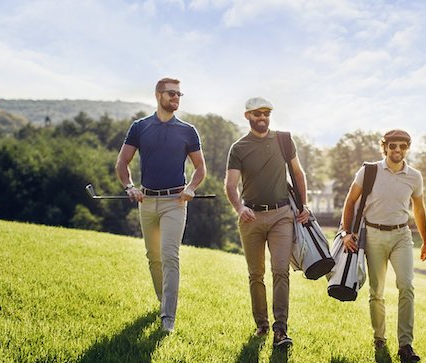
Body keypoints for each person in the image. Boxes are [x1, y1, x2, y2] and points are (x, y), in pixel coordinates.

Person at [115, 77, 206, 333]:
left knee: (169, 256)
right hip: (146, 201)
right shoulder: (140, 127)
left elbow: (201, 168)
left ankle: (168, 317)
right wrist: (129, 187)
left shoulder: (188, 131)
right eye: (171, 94)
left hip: (175, 202)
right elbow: (122, 163)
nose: (176, 98)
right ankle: (162, 302)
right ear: (158, 95)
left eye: (179, 94)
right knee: (153, 257)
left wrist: (190, 189)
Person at [225, 97, 311, 348]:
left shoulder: (283, 140)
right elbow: (230, 185)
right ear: (247, 116)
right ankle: (261, 324)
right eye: (257, 114)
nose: (262, 118)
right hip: (251, 217)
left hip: (282, 215)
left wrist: (303, 206)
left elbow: (298, 173)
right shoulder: (238, 148)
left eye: (266, 114)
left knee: (281, 270)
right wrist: (239, 208)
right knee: (256, 274)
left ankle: (280, 329)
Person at [340, 129, 426, 363]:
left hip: (402, 235)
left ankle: (406, 345)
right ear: (385, 148)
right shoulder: (369, 171)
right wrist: (346, 232)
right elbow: (350, 201)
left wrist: (425, 241)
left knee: (407, 286)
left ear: (407, 148)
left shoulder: (414, 176)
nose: (397, 150)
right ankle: (379, 338)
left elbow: (419, 208)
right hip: (373, 236)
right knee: (376, 291)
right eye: (393, 146)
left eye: (402, 146)